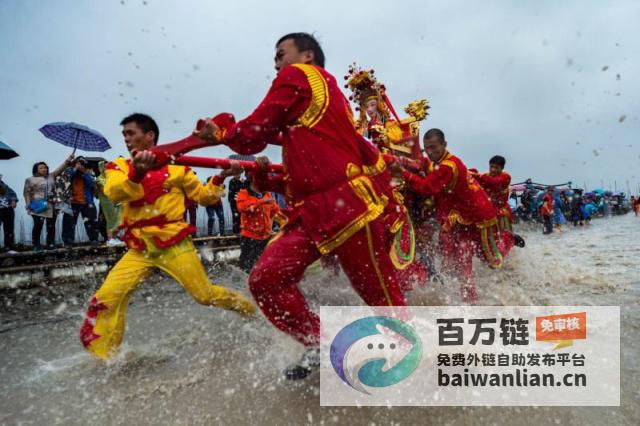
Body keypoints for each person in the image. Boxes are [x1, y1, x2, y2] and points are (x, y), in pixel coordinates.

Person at [195, 32, 412, 379]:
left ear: (307, 56)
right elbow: (309, 168)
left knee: (383, 299)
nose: (277, 63)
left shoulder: (299, 76)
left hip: (348, 210)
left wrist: (220, 135)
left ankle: (415, 369)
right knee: (265, 280)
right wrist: (266, 180)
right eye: (276, 57)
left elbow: (254, 131)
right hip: (310, 214)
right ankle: (323, 345)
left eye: (282, 54)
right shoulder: (320, 110)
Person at [79, 113, 255, 360]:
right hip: (140, 247)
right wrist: (136, 174)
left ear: (149, 136)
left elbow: (205, 198)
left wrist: (221, 177)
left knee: (204, 296)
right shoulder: (118, 166)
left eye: (131, 133)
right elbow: (115, 193)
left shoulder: (178, 168)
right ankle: (105, 359)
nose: (127, 139)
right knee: (107, 298)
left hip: (174, 243)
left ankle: (252, 311)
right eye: (124, 135)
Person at [390, 129, 508, 305]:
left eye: (434, 148)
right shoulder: (438, 162)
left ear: (444, 145)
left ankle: (509, 239)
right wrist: (397, 158)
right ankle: (470, 302)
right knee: (461, 256)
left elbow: (425, 188)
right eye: (427, 148)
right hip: (458, 218)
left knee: (490, 259)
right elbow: (421, 165)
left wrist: (402, 173)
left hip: (479, 217)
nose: (430, 152)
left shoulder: (448, 166)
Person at [474, 155, 525, 248]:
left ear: (502, 168)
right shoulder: (485, 176)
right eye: (491, 167)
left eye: (496, 167)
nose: (493, 170)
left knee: (503, 235)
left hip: (500, 212)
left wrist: (476, 175)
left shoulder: (506, 177)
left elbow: (493, 182)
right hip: (487, 211)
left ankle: (511, 239)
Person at [236, 170, 281, 272]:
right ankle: (242, 283)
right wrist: (261, 203)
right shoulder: (244, 193)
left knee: (262, 264)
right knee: (246, 265)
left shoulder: (267, 194)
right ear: (252, 179)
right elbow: (242, 208)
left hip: (265, 236)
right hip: (249, 237)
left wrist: (287, 221)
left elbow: (276, 211)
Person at [23, 158, 70, 250]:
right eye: (41, 168)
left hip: (51, 204)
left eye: (45, 167)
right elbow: (26, 193)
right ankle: (36, 244)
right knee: (38, 226)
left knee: (51, 226)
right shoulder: (30, 179)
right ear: (36, 169)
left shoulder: (51, 176)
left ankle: (50, 243)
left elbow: (59, 169)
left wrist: (67, 161)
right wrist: (28, 205)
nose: (44, 169)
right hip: (37, 204)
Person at [61, 156, 99, 245]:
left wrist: (84, 173)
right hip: (72, 202)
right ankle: (68, 241)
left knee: (91, 222)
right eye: (79, 163)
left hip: (87, 202)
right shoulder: (69, 171)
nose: (81, 165)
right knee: (69, 223)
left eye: (82, 164)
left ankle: (94, 239)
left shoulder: (88, 174)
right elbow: (66, 179)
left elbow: (91, 184)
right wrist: (75, 169)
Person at [96, 161, 123, 245]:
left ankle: (115, 238)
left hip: (115, 201)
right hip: (107, 203)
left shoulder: (110, 177)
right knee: (110, 220)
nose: (106, 168)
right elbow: (107, 188)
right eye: (104, 167)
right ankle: (110, 239)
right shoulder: (99, 179)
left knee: (118, 220)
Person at [0, 174, 18, 252]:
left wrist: (13, 201)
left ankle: (9, 246)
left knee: (9, 229)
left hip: (7, 209)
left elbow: (12, 194)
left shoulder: (4, 185)